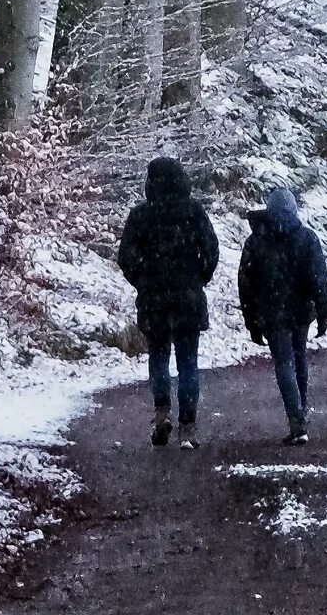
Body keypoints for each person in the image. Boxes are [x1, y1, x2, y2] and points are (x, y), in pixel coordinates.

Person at [115, 155, 218, 448]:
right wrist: (198, 277)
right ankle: (188, 425)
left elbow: (126, 257)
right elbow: (211, 249)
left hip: (154, 298)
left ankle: (162, 413)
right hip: (188, 296)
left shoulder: (141, 215)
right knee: (188, 362)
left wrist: (143, 279)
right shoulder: (194, 212)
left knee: (158, 357)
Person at [238, 185, 327, 444]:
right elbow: (318, 278)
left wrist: (252, 322)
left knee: (284, 363)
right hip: (300, 311)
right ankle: (301, 411)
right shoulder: (306, 238)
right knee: (299, 359)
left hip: (272, 314)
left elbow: (246, 284)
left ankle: (296, 419)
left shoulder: (256, 241)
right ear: (293, 209)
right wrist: (323, 310)